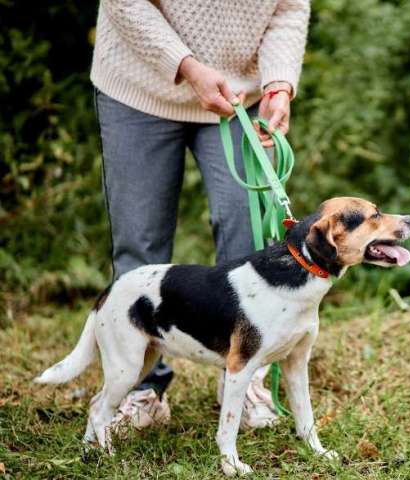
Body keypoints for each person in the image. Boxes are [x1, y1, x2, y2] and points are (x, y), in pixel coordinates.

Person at [91, 0, 310, 430]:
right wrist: (187, 66)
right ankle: (142, 390)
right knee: (141, 242)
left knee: (248, 238)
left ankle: (245, 378)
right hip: (139, 87)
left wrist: (278, 84)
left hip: (238, 97)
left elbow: (288, 9)